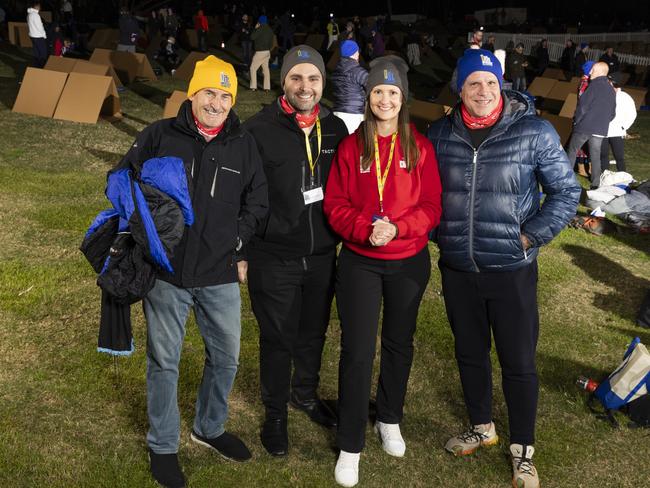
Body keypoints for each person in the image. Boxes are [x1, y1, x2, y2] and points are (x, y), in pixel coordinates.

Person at [427, 49, 581, 488]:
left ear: (502, 86)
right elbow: (424, 196)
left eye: (490, 83)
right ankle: (482, 425)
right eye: (473, 82)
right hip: (458, 268)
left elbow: (567, 194)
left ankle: (523, 449)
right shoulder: (439, 133)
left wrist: (528, 237)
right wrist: (440, 234)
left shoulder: (534, 132)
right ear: (459, 87)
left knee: (517, 360)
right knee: (470, 352)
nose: (482, 91)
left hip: (511, 269)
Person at [117, 55, 268, 488]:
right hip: (167, 274)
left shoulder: (243, 143)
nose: (217, 103)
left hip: (219, 273)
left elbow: (257, 202)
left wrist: (236, 241)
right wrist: (146, 231)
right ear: (192, 94)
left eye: (225, 96)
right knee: (164, 361)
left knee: (227, 357)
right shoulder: (158, 136)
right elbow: (121, 181)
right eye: (209, 94)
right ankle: (163, 444)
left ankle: (209, 427)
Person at [324, 56, 442, 488]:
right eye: (378, 91)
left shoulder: (420, 146)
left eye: (393, 92)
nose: (386, 99)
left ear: (403, 98)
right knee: (356, 351)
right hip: (360, 261)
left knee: (398, 344)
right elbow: (335, 203)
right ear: (368, 97)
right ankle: (350, 443)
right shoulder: (352, 146)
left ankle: (389, 418)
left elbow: (432, 206)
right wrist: (363, 229)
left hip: (408, 260)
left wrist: (398, 228)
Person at [243, 45, 348, 458]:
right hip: (273, 255)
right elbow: (244, 196)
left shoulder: (336, 128)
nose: (305, 87)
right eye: (296, 78)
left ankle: (303, 394)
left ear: (323, 83)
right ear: (283, 81)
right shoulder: (257, 130)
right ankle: (275, 414)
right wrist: (243, 250)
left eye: (314, 78)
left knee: (313, 332)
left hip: (322, 253)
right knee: (276, 338)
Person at [565, 62, 617, 188]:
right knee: (595, 156)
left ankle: (565, 179)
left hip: (585, 127)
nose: (590, 73)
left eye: (592, 70)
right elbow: (612, 113)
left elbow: (582, 107)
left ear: (600, 72)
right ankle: (595, 184)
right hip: (600, 129)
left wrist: (577, 121)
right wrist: (602, 122)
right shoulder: (611, 89)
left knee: (571, 151)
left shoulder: (593, 86)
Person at [331, 40, 368, 134]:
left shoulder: (336, 71)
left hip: (337, 113)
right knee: (355, 146)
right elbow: (373, 86)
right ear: (355, 52)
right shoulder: (357, 71)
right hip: (353, 116)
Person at [600, 85, 637, 172]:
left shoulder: (625, 97)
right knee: (603, 155)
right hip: (603, 130)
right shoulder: (604, 94)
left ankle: (622, 175)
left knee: (619, 156)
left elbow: (632, 113)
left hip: (617, 131)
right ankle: (605, 175)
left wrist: (624, 126)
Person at [249, 15, 273, 91]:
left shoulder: (259, 28)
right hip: (267, 52)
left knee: (252, 68)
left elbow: (252, 37)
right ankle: (267, 87)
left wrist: (255, 29)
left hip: (260, 52)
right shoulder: (270, 29)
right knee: (265, 69)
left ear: (259, 21)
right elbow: (271, 42)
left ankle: (253, 86)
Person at [27, 2, 47, 68]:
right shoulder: (35, 15)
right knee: (43, 52)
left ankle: (36, 65)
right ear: (37, 6)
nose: (40, 8)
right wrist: (44, 35)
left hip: (32, 35)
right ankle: (42, 65)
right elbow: (40, 27)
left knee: (36, 51)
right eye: (40, 6)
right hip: (38, 36)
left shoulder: (29, 14)